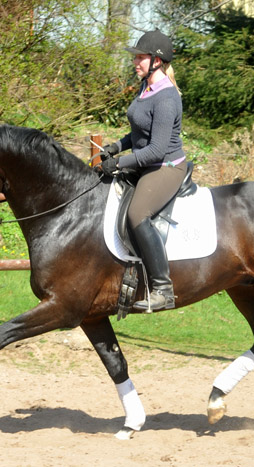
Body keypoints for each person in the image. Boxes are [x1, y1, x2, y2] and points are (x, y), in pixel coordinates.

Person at [96, 30, 187, 311]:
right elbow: (140, 131)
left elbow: (156, 150)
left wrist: (120, 163)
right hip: (146, 160)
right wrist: (117, 146)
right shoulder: (146, 87)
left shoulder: (166, 98)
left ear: (157, 61)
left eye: (140, 57)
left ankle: (162, 288)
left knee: (137, 214)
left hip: (166, 167)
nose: (135, 62)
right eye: (135, 57)